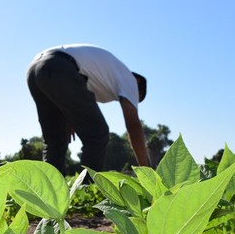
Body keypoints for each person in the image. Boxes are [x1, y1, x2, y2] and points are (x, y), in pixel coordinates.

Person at [26, 44, 150, 175]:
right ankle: (86, 188)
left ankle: (49, 192)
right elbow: (133, 125)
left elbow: (76, 100)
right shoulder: (130, 80)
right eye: (135, 98)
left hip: (35, 69)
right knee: (98, 133)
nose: (132, 100)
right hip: (60, 66)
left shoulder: (107, 75)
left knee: (55, 141)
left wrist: (70, 118)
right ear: (138, 84)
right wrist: (147, 171)